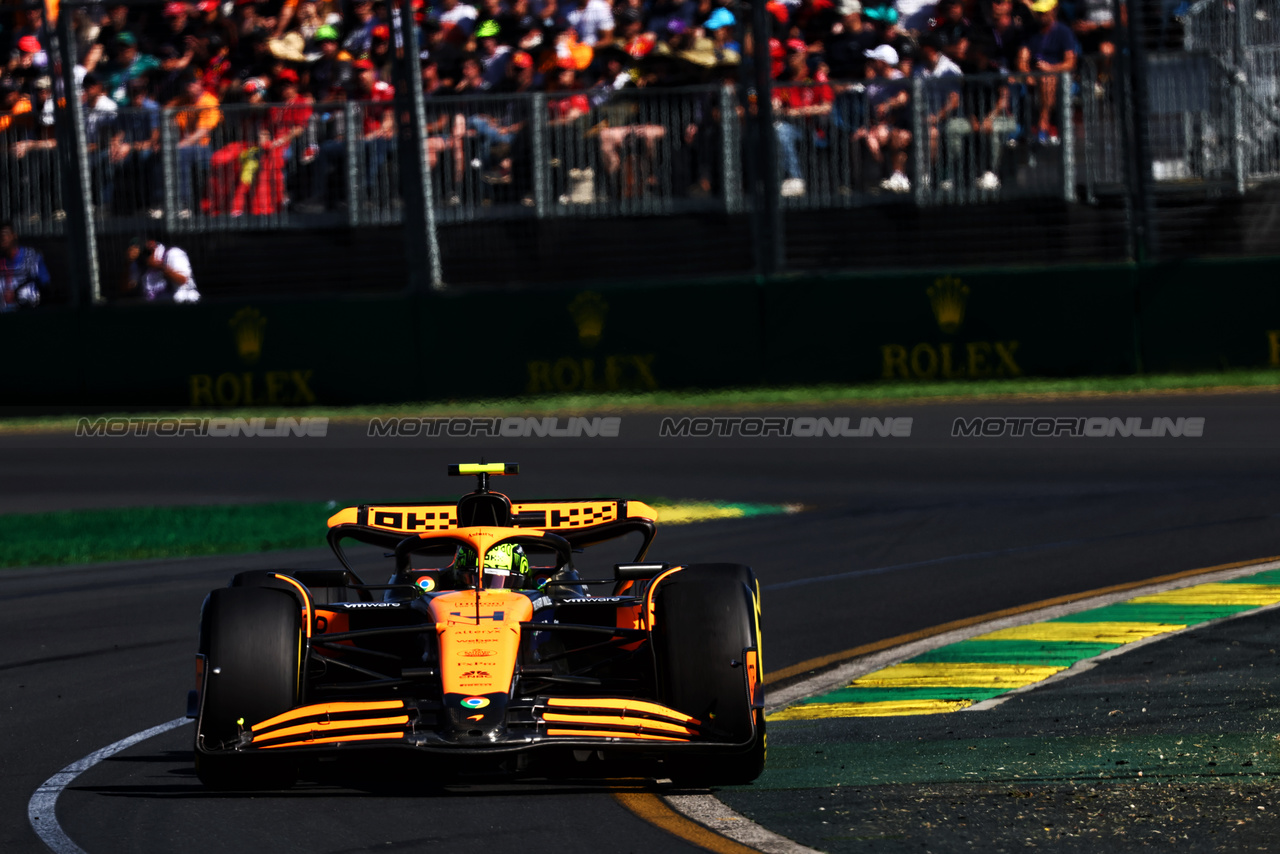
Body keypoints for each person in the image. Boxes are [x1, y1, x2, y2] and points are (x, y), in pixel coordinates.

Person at [1018, 0, 1077, 144]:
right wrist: (1027, 73)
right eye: (1038, 12)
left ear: (1054, 10)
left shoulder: (1063, 31)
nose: (1041, 15)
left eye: (1044, 12)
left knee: (1047, 78)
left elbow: (1070, 62)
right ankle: (1019, 130)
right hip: (1035, 74)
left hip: (1057, 75)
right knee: (1015, 80)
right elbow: (1022, 59)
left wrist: (1050, 68)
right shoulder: (1030, 31)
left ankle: (1043, 124)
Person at [122, 236, 201, 302]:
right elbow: (126, 288)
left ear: (152, 245)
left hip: (183, 302)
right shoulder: (139, 262)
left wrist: (159, 267)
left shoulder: (173, 253)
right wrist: (128, 263)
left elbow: (182, 280)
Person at [0, 221, 49, 311]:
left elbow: (45, 283)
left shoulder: (31, 257)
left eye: (5, 234)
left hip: (28, 311)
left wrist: (18, 293)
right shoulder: (2, 260)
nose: (2, 238)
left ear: (14, 236)